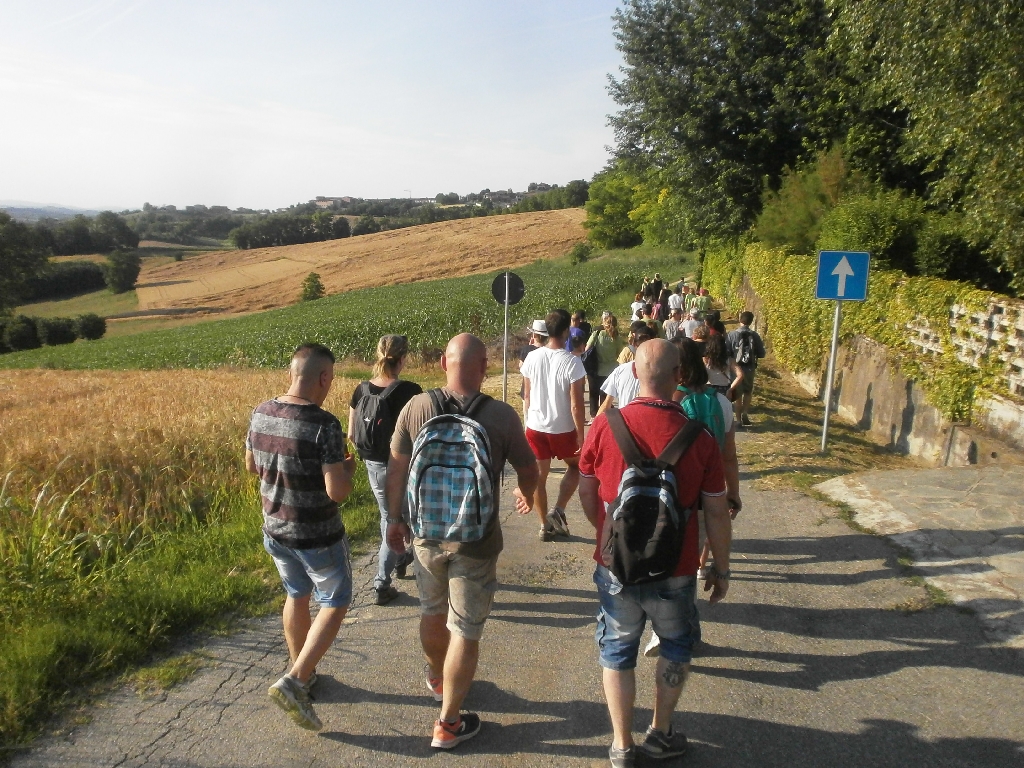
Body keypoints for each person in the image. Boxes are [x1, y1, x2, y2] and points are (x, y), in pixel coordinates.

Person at [578, 340, 732, 767]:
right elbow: (717, 512)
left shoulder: (606, 425)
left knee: (617, 649)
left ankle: (621, 745)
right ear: (680, 376)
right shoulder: (698, 438)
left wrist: (604, 534)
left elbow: (587, 490)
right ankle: (660, 733)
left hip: (616, 566)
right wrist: (720, 566)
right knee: (676, 645)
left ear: (633, 375)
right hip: (677, 566)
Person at [385, 334, 539, 750]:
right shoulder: (502, 416)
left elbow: (396, 470)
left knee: (432, 610)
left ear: (442, 362)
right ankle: (448, 724)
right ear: (485, 367)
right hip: (476, 539)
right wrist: (526, 491)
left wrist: (395, 520)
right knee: (466, 629)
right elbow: (528, 467)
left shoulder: (416, 408)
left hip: (425, 534)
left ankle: (438, 679)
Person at [246, 343, 357, 732]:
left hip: (275, 528)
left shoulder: (261, 411)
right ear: (324, 378)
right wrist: (348, 469)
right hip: (317, 535)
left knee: (297, 595)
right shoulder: (325, 425)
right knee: (336, 599)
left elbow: (251, 465)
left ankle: (303, 675)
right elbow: (337, 492)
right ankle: (295, 681)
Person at [349, 334, 423, 606]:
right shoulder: (410, 391)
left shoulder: (361, 389)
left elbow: (352, 433)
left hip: (372, 464)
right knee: (396, 519)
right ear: (403, 358)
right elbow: (419, 433)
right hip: (400, 466)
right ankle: (381, 583)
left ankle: (401, 558)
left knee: (389, 515)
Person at [523, 309, 588, 540]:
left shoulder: (532, 357)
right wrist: (581, 435)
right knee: (577, 466)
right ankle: (558, 509)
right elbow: (576, 406)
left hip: (536, 426)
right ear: (566, 331)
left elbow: (527, 396)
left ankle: (543, 526)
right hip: (562, 428)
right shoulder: (573, 362)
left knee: (539, 477)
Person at [596, 324, 657, 417]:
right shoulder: (663, 372)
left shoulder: (620, 370)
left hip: (625, 427)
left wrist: (594, 429)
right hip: (649, 427)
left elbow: (606, 404)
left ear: (634, 344)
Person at [726, 311, 766, 427]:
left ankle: (738, 420)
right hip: (750, 367)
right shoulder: (755, 335)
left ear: (740, 319)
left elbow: (727, 350)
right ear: (751, 321)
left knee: (737, 394)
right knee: (748, 392)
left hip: (736, 367)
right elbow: (762, 353)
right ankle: (745, 412)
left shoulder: (732, 334)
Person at [585, 313, 627, 416]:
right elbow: (619, 352)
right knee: (606, 394)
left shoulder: (598, 333)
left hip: (596, 367)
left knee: (594, 393)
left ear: (605, 323)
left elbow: (587, 348)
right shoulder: (617, 336)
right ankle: (604, 414)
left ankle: (594, 415)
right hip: (611, 369)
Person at [704, 333, 744, 403]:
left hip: (708, 389)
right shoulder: (729, 360)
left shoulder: (705, 359)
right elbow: (740, 375)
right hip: (724, 390)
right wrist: (730, 389)